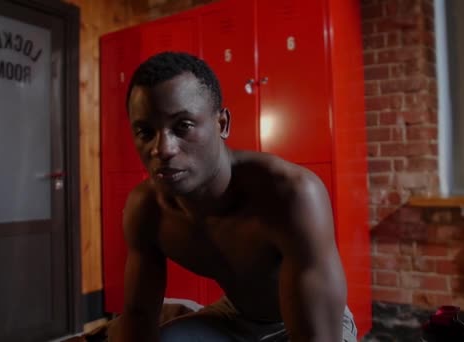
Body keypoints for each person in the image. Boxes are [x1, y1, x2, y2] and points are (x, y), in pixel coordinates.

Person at [116, 51, 357, 342]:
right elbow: (139, 317)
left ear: (222, 124)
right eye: (145, 131)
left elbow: (317, 338)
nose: (163, 148)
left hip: (312, 322)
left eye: (183, 126)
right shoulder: (147, 209)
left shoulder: (290, 194)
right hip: (234, 317)